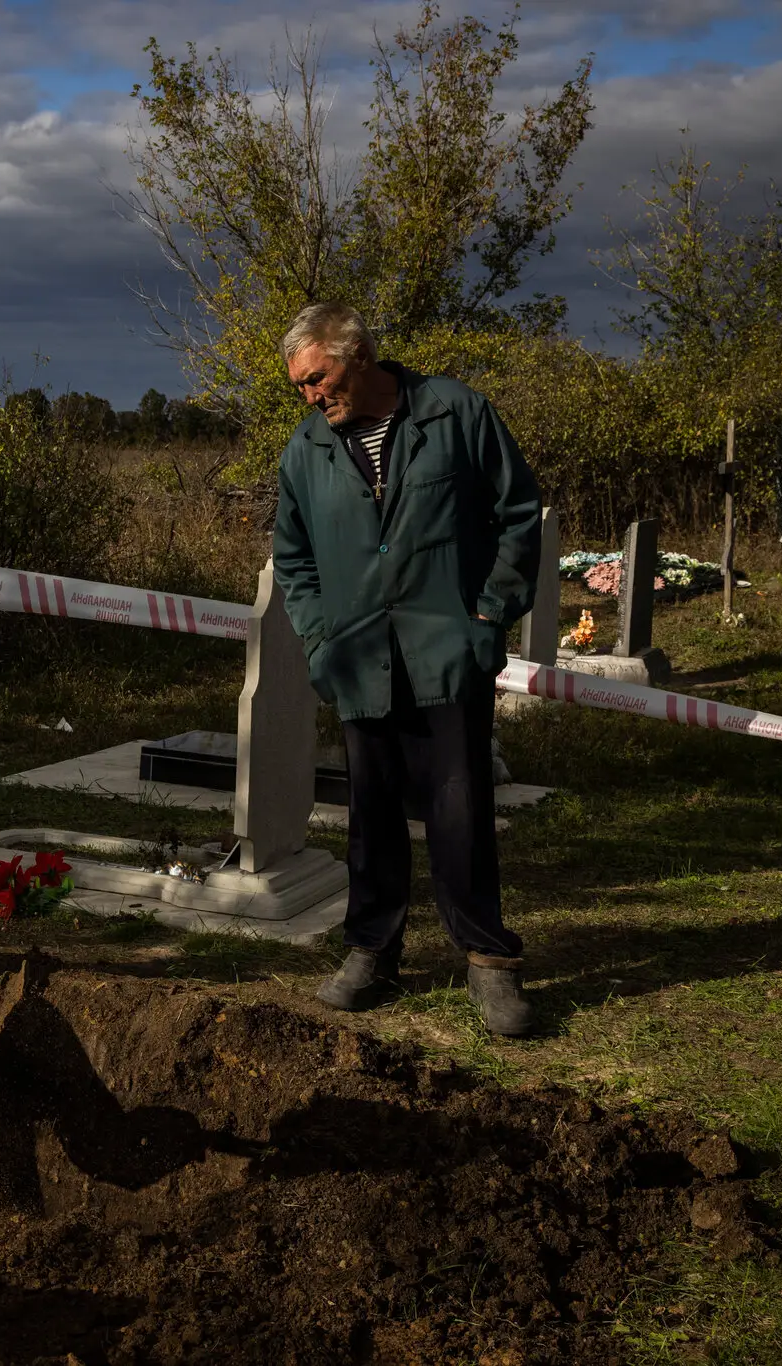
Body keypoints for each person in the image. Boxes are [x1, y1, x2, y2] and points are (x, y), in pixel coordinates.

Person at [270, 302, 542, 1036]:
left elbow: (518, 512)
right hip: (358, 660)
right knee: (372, 816)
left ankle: (489, 964)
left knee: (460, 811)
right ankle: (371, 952)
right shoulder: (306, 450)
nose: (310, 396)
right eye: (299, 386)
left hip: (446, 653)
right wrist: (322, 641)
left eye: (317, 378)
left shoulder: (455, 414)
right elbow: (293, 559)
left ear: (358, 354)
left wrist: (489, 613)